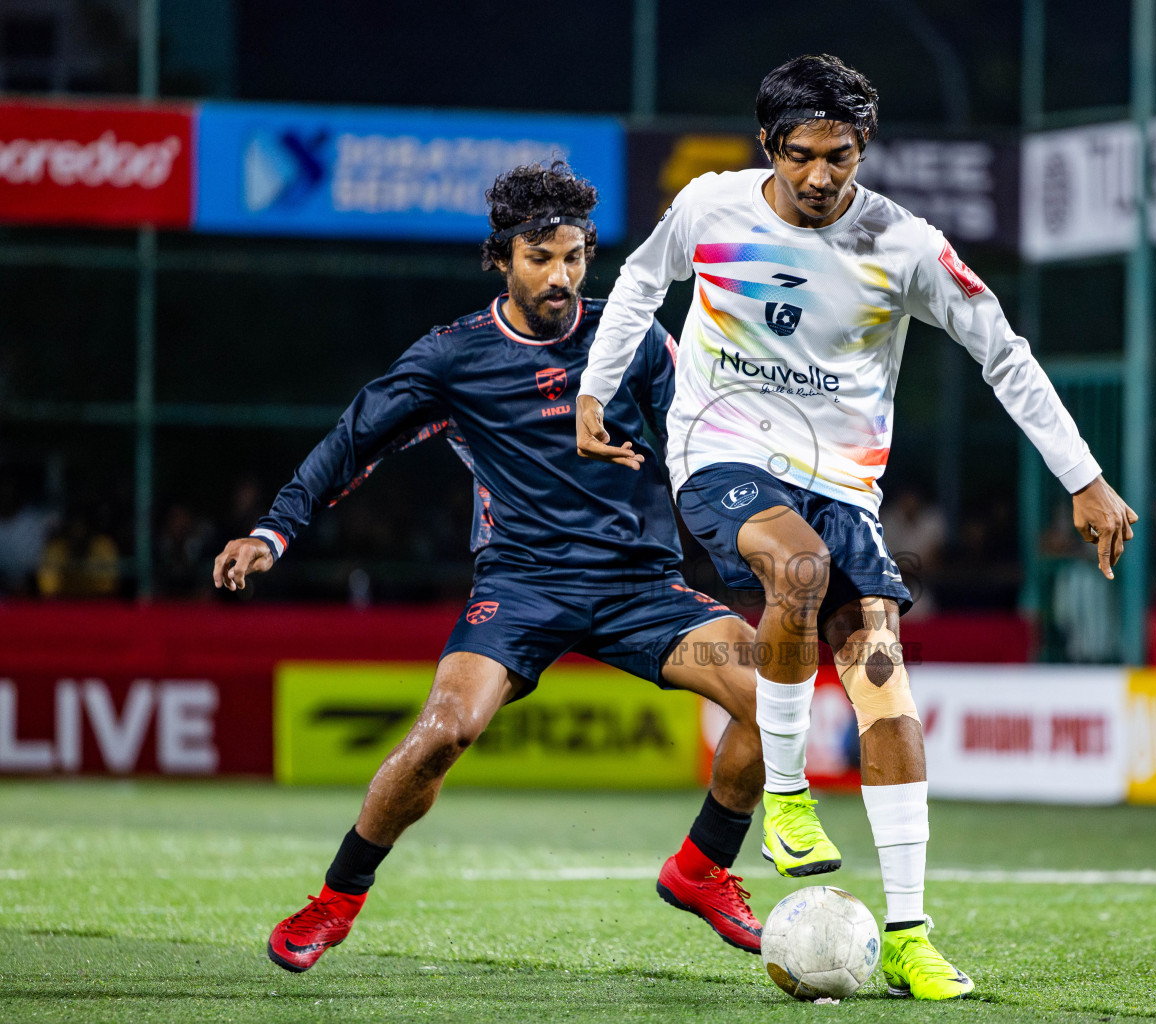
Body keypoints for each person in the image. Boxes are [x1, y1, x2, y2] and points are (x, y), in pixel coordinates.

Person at [576, 54, 1136, 1000]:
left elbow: (1004, 355)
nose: (821, 176)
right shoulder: (711, 208)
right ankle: (788, 796)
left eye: (840, 155)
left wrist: (1083, 478)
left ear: (862, 147)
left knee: (883, 682)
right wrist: (597, 389)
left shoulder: (905, 244)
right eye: (801, 156)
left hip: (843, 483)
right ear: (770, 147)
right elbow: (636, 284)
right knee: (792, 572)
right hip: (722, 450)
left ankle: (911, 933)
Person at [210, 162, 831, 971]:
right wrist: (273, 531)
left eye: (574, 256)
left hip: (643, 589)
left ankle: (703, 869)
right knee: (444, 732)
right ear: (501, 259)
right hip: (524, 586)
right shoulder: (453, 357)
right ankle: (336, 899)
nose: (561, 276)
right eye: (540, 257)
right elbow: (352, 442)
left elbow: (707, 436)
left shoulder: (633, 337)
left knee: (775, 706)